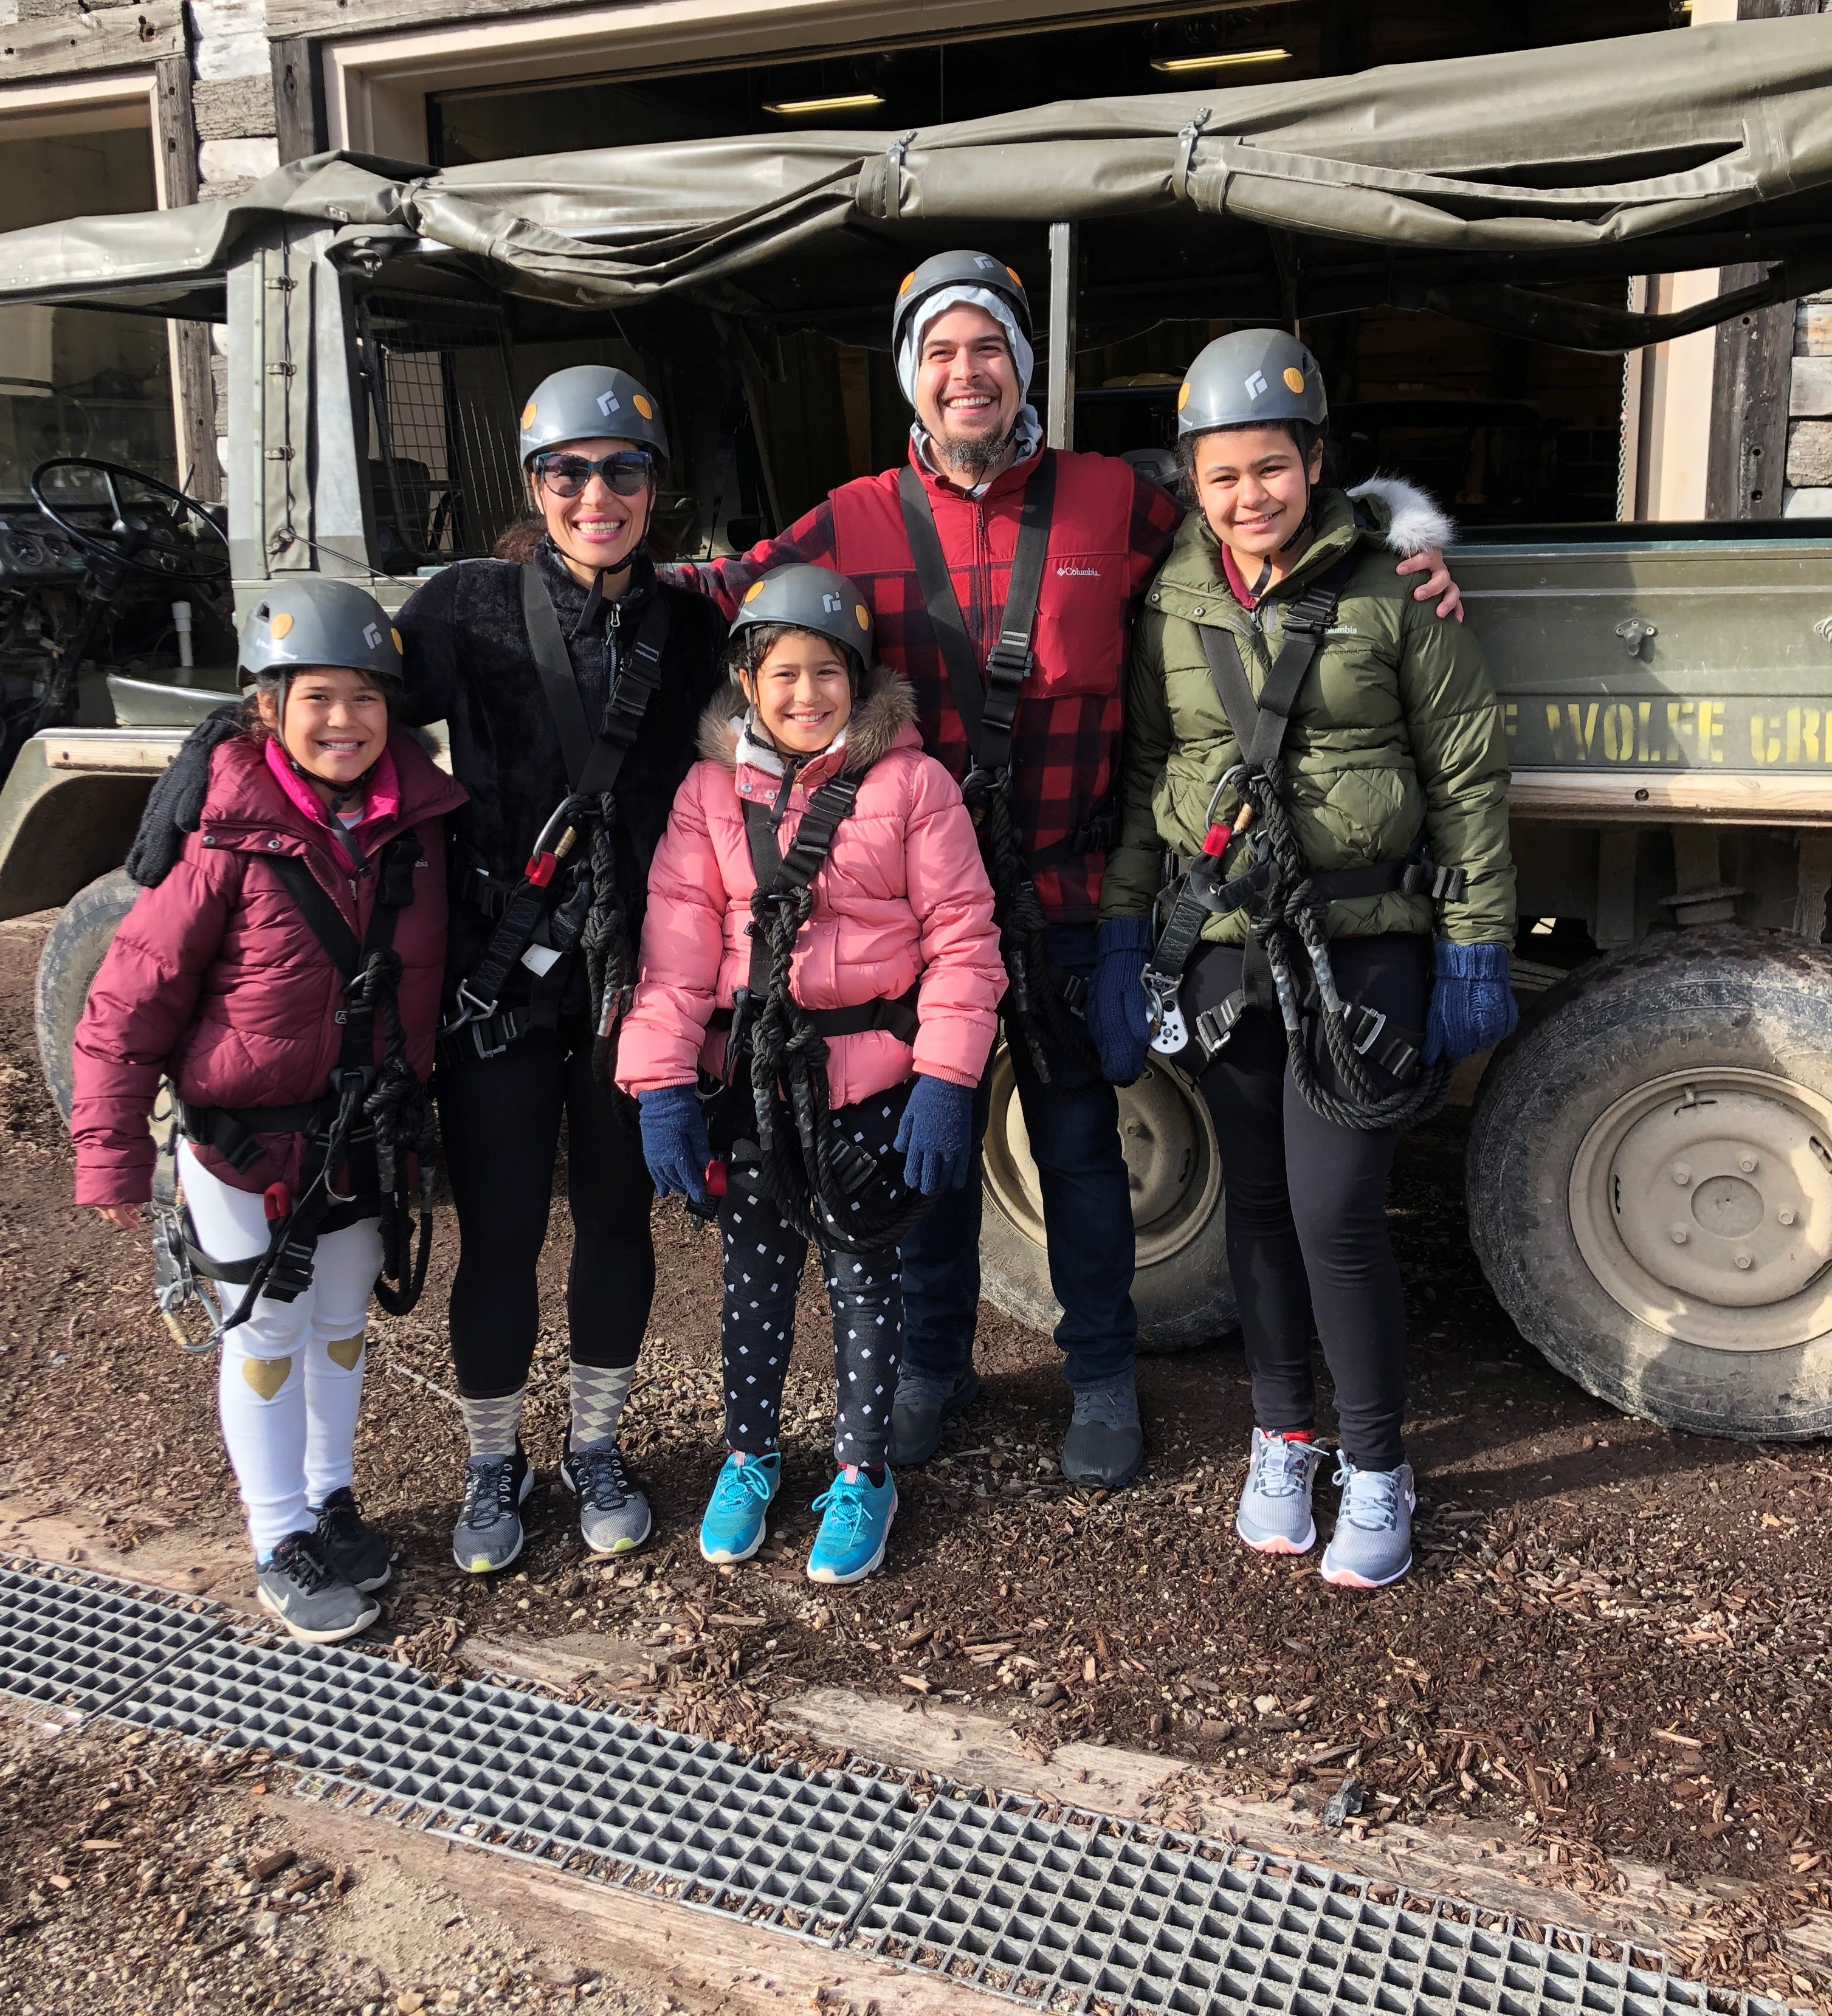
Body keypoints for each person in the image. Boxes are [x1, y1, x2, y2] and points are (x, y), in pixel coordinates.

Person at [666, 253, 1463, 1492]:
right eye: (940, 353)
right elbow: (724, 598)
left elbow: (1259, 524)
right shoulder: (852, 520)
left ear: (1023, 367)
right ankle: (933, 1365)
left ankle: (1100, 1372)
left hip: (1070, 898)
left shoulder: (1114, 503)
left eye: (989, 348)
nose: (966, 373)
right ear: (911, 378)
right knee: (923, 1150)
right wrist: (549, 589)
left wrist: (1399, 542)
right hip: (919, 912)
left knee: (1082, 1151)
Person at [1097, 328, 1516, 1588]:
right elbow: (1148, 776)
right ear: (1192, 479)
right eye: (1223, 475)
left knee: (1337, 1209)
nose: (1250, 496)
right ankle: (1283, 1436)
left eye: (1272, 467)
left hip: (1363, 941)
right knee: (1262, 1206)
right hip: (1225, 944)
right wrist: (1126, 930)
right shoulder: (1168, 601)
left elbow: (1466, 776)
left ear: (1318, 461)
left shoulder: (1398, 589)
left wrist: (1476, 943)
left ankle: (1378, 1465)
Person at [71, 582, 464, 1643]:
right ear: (268, 709)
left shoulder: (420, 827)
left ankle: (331, 1500)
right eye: (318, 699)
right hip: (246, 1144)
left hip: (361, 1134)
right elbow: (129, 999)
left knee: (340, 1327)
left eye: (366, 699)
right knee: (266, 1333)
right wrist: (109, 1151)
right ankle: (277, 1532)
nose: (345, 722)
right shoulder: (222, 839)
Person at [397, 365, 727, 1574]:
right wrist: (206, 780)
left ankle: (596, 1445)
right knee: (497, 1230)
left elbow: (775, 751)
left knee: (616, 1219)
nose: (598, 495)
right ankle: (494, 1461)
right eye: (569, 473)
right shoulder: (468, 608)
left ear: (655, 486)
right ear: (535, 486)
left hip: (632, 979)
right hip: (502, 976)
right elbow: (335, 709)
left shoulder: (694, 631)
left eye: (622, 470)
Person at [618, 566, 1005, 1583]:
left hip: (873, 1084)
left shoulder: (913, 787)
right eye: (783, 674)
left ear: (859, 681)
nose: (805, 695)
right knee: (753, 1282)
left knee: (867, 1282)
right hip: (754, 1085)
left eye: (827, 674)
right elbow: (675, 952)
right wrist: (663, 1086)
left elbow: (963, 939)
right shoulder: (708, 795)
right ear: (748, 683)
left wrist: (947, 1079)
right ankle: (749, 1455)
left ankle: (863, 1471)